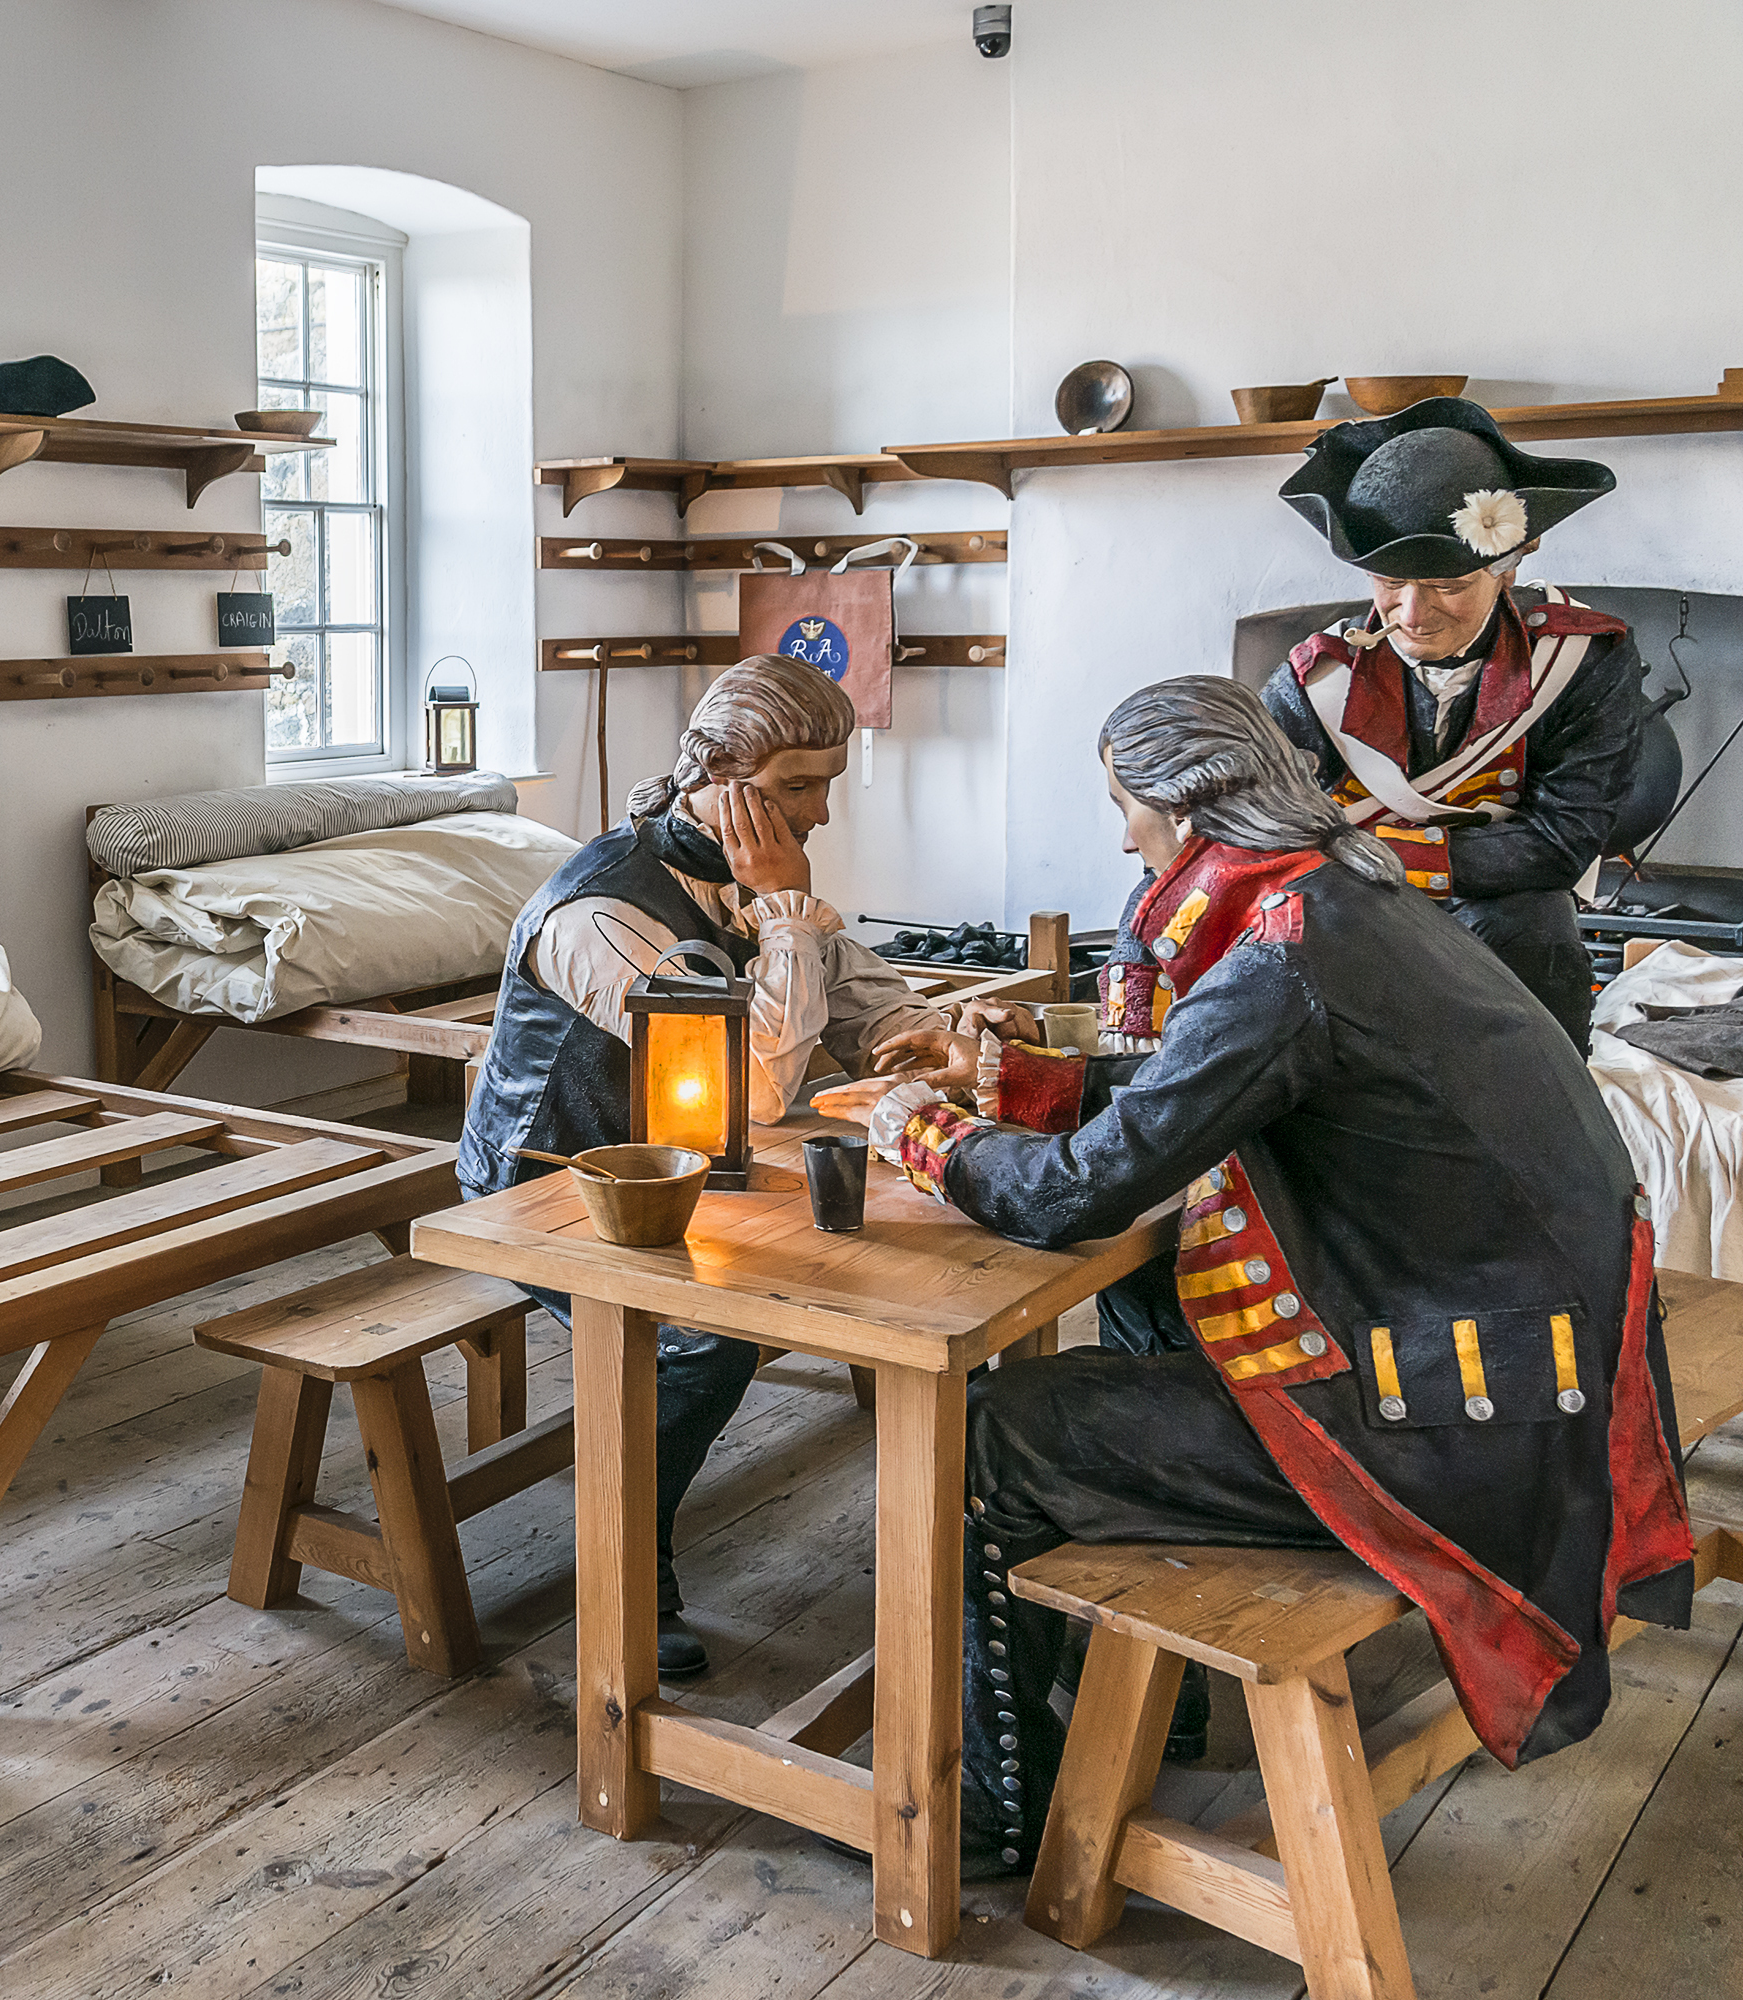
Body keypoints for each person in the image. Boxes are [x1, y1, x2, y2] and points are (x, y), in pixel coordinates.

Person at [845, 675, 1693, 1879]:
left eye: (1125, 806)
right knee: (1146, 1297)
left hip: (1448, 1424)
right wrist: (1024, 1086)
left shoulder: (1281, 956)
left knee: (992, 1429)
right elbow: (1220, 1083)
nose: (1122, 837)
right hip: (1513, 1366)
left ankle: (995, 1808)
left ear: (1189, 811)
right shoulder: (1343, 897)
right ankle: (1154, 1710)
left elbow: (1073, 1197)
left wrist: (923, 1134)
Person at [458, 654, 958, 1679]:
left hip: (685, 1172)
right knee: (705, 1339)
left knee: (918, 1256)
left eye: (827, 783)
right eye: (797, 786)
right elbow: (755, 1088)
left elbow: (849, 986)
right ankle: (626, 1570)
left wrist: (922, 1031)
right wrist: (783, 908)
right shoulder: (599, 912)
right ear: (718, 777)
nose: (819, 813)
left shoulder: (744, 872)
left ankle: (957, 1561)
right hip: (551, 1182)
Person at [1262, 396, 1645, 1041]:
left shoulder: (1580, 658)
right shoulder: (1316, 679)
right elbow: (1240, 816)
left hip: (1505, 908)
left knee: (1535, 929)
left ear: (1506, 568)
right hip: (1354, 909)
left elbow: (1560, 844)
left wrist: (1374, 857)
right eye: (1390, 582)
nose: (1411, 614)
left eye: (1448, 586)